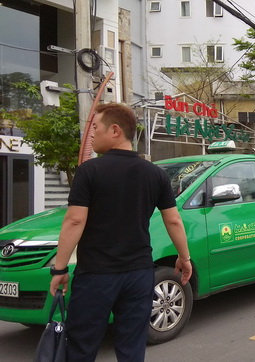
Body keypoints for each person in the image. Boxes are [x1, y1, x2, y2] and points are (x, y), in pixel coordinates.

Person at [49, 103, 193, 361]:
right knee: (132, 349)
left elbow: (74, 221)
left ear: (114, 130)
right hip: (139, 275)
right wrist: (184, 258)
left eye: (95, 127)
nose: (91, 134)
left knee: (81, 347)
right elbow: (173, 221)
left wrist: (59, 269)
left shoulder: (89, 171)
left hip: (96, 276)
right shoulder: (155, 174)